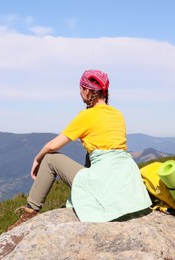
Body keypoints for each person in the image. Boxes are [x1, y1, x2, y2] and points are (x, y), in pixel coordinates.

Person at [8, 69, 152, 231]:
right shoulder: (117, 114)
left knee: (50, 159)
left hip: (104, 179)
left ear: (88, 90)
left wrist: (37, 158)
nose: (79, 92)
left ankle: (29, 213)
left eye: (81, 88)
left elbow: (52, 146)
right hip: (126, 180)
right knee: (90, 156)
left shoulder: (86, 116)